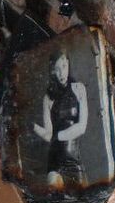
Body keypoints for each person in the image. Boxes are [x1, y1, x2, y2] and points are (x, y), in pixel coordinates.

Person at [33, 52, 89, 189]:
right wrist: (31, 126)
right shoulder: (48, 98)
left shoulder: (79, 89)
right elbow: (48, 135)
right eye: (57, 69)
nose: (61, 73)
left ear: (68, 64)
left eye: (63, 66)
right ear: (52, 71)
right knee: (56, 198)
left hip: (74, 162)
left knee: (81, 199)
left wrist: (57, 136)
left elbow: (82, 127)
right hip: (55, 162)